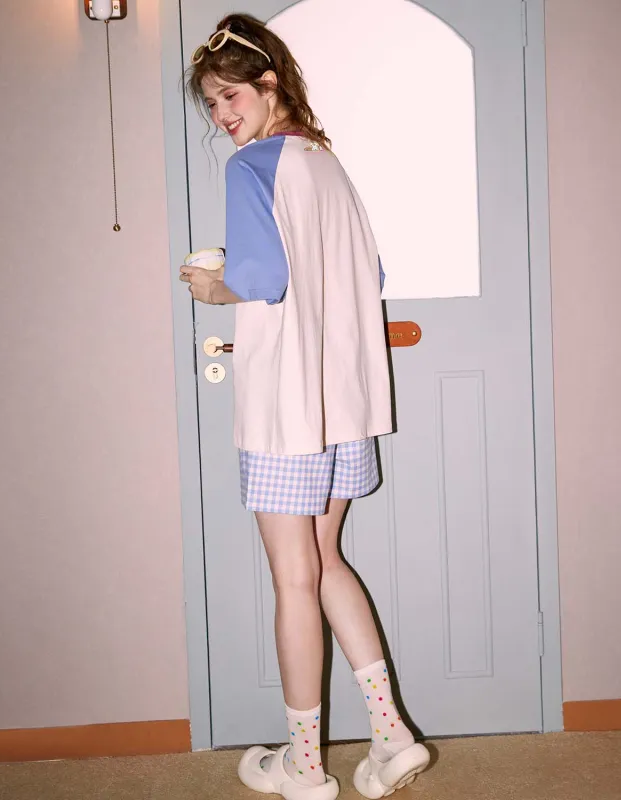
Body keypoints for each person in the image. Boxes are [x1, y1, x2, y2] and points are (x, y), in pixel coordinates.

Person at [180, 13, 430, 800]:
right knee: (325, 565)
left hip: (288, 412)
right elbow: (369, 274)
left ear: (268, 83)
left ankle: (305, 766)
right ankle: (391, 738)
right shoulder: (327, 164)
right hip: (343, 407)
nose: (222, 115)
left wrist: (212, 285)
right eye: (211, 104)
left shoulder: (253, 166)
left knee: (294, 579)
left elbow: (262, 279)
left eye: (230, 96)